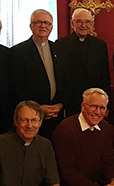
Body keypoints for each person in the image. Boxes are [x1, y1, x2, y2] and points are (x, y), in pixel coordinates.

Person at [9, 9, 71, 139]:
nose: (43, 26)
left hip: (56, 115)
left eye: (47, 23)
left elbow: (67, 80)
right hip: (30, 118)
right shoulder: (18, 52)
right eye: (38, 22)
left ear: (51, 27)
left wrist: (61, 104)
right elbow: (17, 86)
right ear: (31, 26)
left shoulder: (61, 50)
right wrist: (37, 108)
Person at [55, 8, 111, 106]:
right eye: (79, 21)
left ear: (92, 24)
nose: (83, 25)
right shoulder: (61, 44)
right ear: (72, 24)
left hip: (94, 101)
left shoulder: (100, 45)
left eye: (87, 22)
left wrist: (107, 105)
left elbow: (105, 76)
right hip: (71, 100)